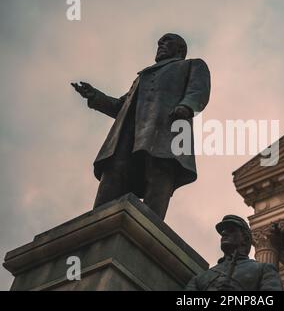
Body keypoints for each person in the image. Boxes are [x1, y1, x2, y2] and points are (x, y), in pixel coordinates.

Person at [71, 33, 210, 220]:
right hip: (129, 135)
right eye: (159, 43)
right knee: (113, 174)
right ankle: (97, 223)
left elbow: (198, 90)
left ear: (179, 49)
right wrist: (95, 96)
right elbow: (121, 106)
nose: (160, 45)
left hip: (168, 128)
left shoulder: (191, 65)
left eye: (166, 42)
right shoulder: (143, 75)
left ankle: (150, 227)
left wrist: (186, 106)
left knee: (159, 175)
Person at [185, 215, 284, 291]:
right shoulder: (199, 279)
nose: (224, 233)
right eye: (223, 231)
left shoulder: (263, 270)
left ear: (245, 239)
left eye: (231, 230)